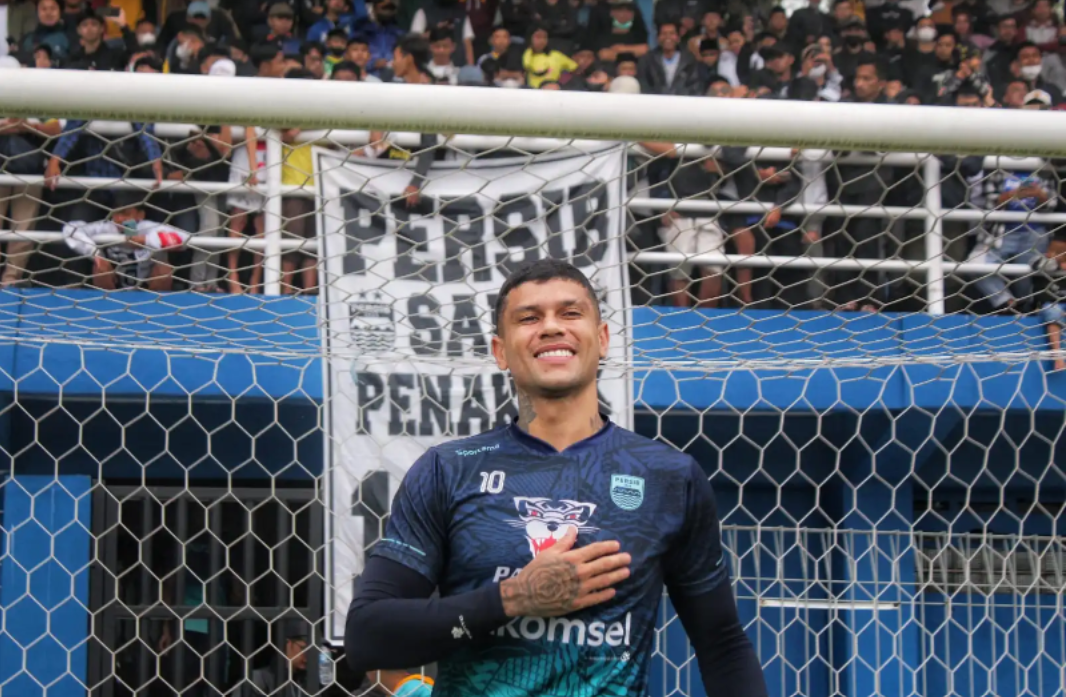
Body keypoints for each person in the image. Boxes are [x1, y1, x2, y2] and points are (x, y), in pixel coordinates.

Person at [344, 257, 769, 697]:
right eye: (529, 318)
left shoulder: (669, 477)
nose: (551, 327)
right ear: (500, 351)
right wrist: (512, 599)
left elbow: (722, 645)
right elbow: (366, 637)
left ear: (601, 339)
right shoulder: (448, 469)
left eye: (570, 313)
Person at [969, 165, 1059, 313]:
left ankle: (1028, 310)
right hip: (1002, 231)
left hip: (1035, 234)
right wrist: (1015, 194)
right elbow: (988, 203)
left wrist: (1040, 195)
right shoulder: (996, 169)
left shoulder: (1045, 170)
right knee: (976, 265)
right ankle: (1007, 303)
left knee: (1027, 280)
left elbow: (1053, 205)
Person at [62, 195, 190, 291]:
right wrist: (95, 253)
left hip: (148, 286)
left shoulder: (147, 227)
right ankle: (104, 305)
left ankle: (154, 308)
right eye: (116, 213)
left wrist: (146, 240)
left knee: (164, 269)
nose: (119, 219)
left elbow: (184, 238)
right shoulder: (107, 227)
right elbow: (70, 229)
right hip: (114, 285)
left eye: (125, 214)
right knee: (99, 266)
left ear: (140, 215)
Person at [637, 20, 702, 96]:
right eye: (664, 33)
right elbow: (644, 86)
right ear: (658, 38)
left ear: (678, 38)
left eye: (672, 33)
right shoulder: (647, 60)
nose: (668, 37)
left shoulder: (689, 60)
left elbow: (695, 86)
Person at [236, 633, 311, 697]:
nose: (307, 656)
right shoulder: (256, 679)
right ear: (288, 644)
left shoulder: (307, 681)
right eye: (303, 648)